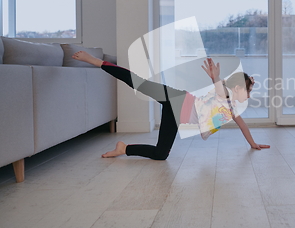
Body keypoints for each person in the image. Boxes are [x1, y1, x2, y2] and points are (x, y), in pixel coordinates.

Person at [71, 51, 270, 159]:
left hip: (175, 114)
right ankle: (97, 62)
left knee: (160, 155)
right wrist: (216, 78)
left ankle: (124, 148)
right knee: (138, 82)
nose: (250, 95)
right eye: (249, 90)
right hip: (175, 99)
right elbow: (219, 91)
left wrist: (253, 144)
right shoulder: (224, 96)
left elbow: (243, 126)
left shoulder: (232, 110)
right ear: (237, 89)